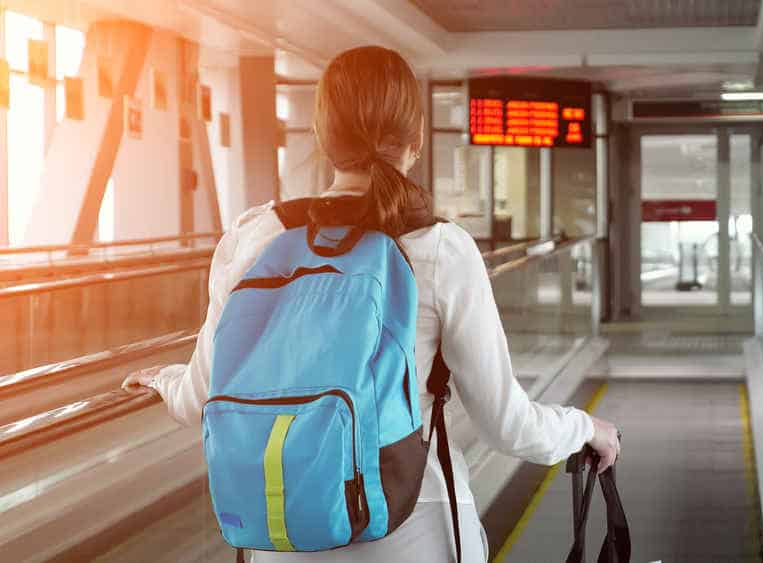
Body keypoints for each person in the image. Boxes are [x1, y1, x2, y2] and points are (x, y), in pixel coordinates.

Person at [123, 45, 620, 563]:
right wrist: (587, 428)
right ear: (418, 139)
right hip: (412, 524)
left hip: (279, 531)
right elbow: (506, 424)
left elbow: (201, 399)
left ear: (321, 136)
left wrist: (161, 379)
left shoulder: (254, 237)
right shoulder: (440, 248)